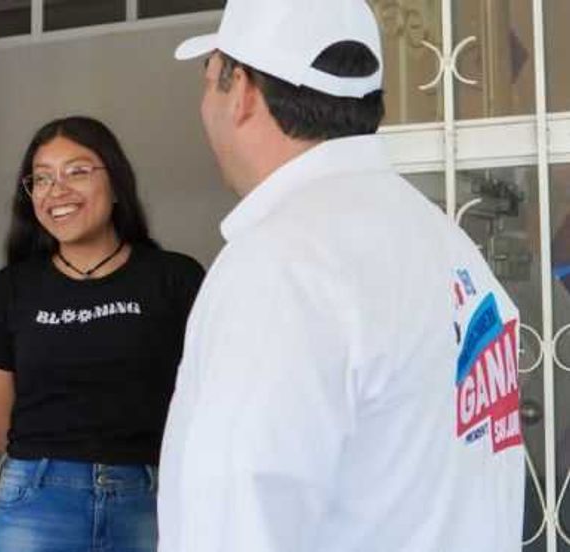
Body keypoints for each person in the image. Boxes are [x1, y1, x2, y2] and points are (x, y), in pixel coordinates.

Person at [158, 1, 525, 551]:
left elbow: (236, 517)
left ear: (243, 93)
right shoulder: (443, 243)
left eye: (211, 77)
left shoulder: (283, 264)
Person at [0, 116, 204, 552]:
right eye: (42, 179)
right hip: (37, 499)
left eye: (77, 171)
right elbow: (2, 428)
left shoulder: (175, 279)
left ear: (116, 185)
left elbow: (207, 399)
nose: (57, 191)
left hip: (151, 496)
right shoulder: (9, 291)